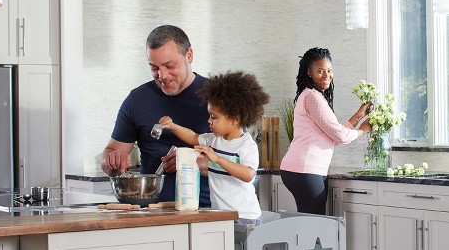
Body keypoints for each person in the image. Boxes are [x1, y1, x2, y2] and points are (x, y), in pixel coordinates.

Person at [101, 25, 211, 206]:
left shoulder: (219, 97)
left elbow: (243, 166)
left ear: (189, 55)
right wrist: (111, 162)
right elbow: (111, 153)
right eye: (154, 68)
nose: (162, 76)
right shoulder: (137, 100)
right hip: (151, 213)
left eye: (170, 66)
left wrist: (189, 162)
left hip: (209, 212)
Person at [158, 71, 269, 224]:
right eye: (209, 116)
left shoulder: (246, 145)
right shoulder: (214, 139)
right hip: (222, 215)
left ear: (235, 119)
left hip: (245, 216)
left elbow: (248, 174)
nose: (209, 121)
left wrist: (217, 159)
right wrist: (172, 126)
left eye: (214, 117)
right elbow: (192, 137)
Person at [280, 47, 372, 215]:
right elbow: (340, 136)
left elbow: (334, 135)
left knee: (310, 224)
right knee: (314, 225)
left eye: (329, 70)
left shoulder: (311, 96)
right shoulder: (312, 97)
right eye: (320, 71)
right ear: (309, 72)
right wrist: (363, 130)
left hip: (301, 169)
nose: (326, 75)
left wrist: (359, 115)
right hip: (305, 170)